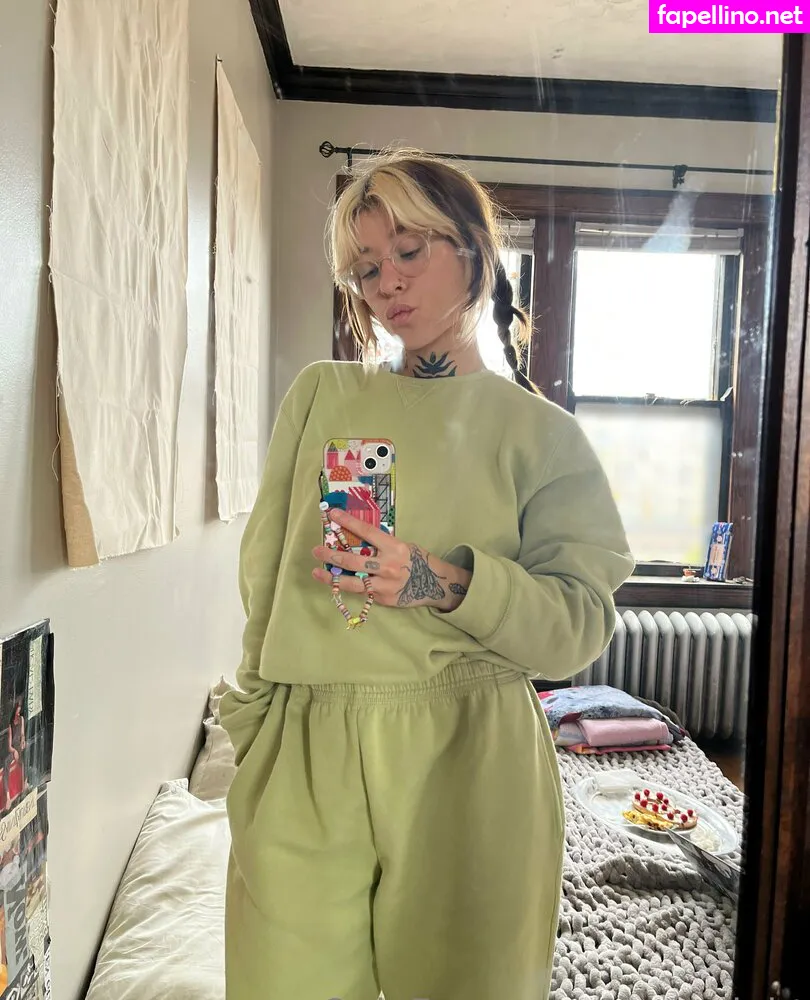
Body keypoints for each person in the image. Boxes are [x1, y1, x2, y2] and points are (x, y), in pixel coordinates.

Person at [219, 148, 634, 1000]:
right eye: (366, 268)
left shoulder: (542, 435)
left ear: (475, 251)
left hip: (469, 753)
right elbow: (262, 576)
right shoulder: (323, 396)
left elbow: (577, 628)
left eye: (409, 251)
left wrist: (440, 582)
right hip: (306, 747)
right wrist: (256, 729)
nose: (388, 284)